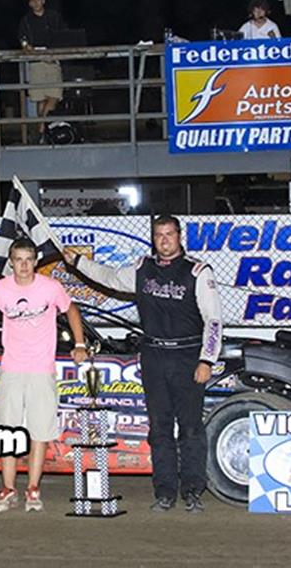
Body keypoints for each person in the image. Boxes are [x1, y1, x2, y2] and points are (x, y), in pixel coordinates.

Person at [62, 215, 222, 513]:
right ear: (153, 238)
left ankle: (192, 491)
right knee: (159, 428)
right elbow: (109, 277)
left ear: (179, 236)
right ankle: (164, 492)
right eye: (159, 235)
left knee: (190, 428)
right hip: (154, 357)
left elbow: (213, 320)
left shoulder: (198, 271)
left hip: (189, 357)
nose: (164, 240)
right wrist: (79, 263)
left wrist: (207, 359)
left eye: (169, 234)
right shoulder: (141, 268)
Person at [0, 238, 87, 513]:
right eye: (18, 259)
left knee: (39, 433)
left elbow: (71, 309)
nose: (23, 265)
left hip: (41, 371)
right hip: (11, 369)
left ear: (35, 262)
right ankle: (8, 489)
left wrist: (79, 344)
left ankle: (33, 489)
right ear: (11, 262)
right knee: (7, 431)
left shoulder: (50, 288)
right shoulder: (1, 288)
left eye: (28, 259)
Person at [17, 0, 66, 140]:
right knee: (40, 98)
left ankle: (41, 127)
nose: (35, 3)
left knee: (55, 95)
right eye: (32, 0)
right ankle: (43, 131)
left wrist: (56, 52)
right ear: (29, 3)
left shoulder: (54, 17)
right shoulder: (26, 20)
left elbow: (64, 35)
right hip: (36, 62)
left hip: (52, 61)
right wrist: (26, 46)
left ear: (43, 1)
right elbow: (23, 40)